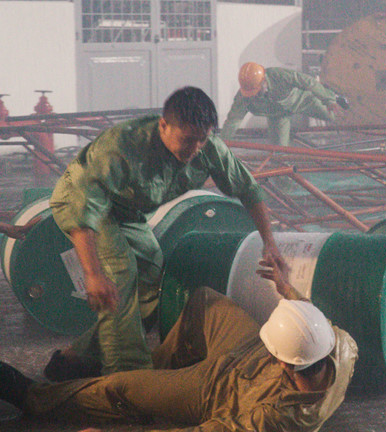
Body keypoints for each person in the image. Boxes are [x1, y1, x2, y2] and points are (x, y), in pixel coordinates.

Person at [47, 86, 287, 380]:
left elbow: (248, 189)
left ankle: (77, 357)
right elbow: (84, 208)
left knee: (151, 273)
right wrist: (93, 274)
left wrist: (269, 243)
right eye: (187, 140)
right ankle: (127, 379)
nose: (195, 148)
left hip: (126, 212)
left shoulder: (207, 147)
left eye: (201, 139)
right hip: (79, 204)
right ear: (163, 125)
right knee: (120, 271)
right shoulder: (121, 146)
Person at [0, 260, 357, 432]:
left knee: (120, 386)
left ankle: (34, 397)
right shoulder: (340, 344)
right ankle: (155, 373)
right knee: (204, 300)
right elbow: (307, 320)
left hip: (217, 390)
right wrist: (285, 286)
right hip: (247, 351)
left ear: (283, 364)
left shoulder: (276, 419)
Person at [221, 63, 350, 147]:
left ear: (264, 81)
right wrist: (221, 145)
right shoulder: (243, 97)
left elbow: (307, 82)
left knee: (332, 116)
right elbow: (233, 121)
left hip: (302, 100)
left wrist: (329, 100)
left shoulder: (278, 75)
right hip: (278, 116)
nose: (254, 95)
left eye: (256, 91)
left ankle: (334, 96)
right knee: (279, 152)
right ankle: (283, 179)